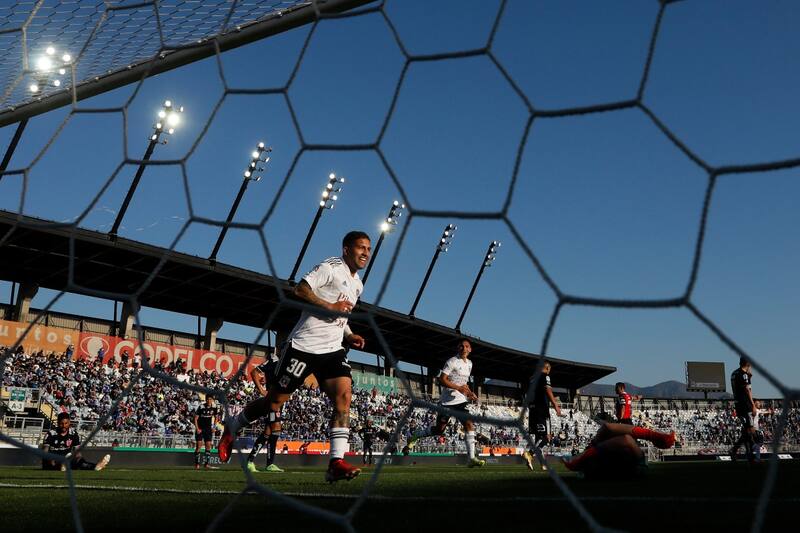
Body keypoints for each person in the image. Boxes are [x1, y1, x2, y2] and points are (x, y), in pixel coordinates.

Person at [218, 231, 370, 483]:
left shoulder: (358, 284)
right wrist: (329, 306)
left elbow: (341, 315)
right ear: (346, 250)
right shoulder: (330, 267)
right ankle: (232, 426)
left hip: (332, 350)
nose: (365, 252)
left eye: (368, 248)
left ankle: (335, 462)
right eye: (360, 247)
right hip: (303, 347)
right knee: (273, 403)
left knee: (344, 397)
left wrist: (350, 333)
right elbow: (300, 290)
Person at [407, 339, 485, 468]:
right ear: (458, 348)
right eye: (461, 346)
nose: (464, 348)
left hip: (460, 401)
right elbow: (442, 379)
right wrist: (458, 388)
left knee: (469, 425)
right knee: (439, 430)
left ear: (470, 349)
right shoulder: (452, 361)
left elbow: (463, 382)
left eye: (467, 346)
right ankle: (417, 435)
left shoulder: (470, 364)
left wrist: (470, 392)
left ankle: (471, 458)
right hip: (447, 402)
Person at [562, 420, 676, 479]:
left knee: (611, 431)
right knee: (619, 435)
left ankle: (654, 436)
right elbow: (622, 437)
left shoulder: (593, 463)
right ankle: (654, 436)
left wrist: (590, 450)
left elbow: (609, 429)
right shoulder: (593, 464)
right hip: (630, 465)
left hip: (608, 461)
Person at [245, 355, 283, 473]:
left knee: (268, 431)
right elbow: (254, 372)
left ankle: (250, 461)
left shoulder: (287, 363)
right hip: (271, 400)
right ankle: (269, 463)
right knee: (276, 428)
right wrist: (261, 390)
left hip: (278, 401)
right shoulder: (274, 360)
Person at [522, 361, 561, 472]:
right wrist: (556, 405)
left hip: (533, 409)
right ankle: (529, 453)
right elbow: (548, 390)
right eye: (550, 369)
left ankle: (543, 464)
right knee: (547, 437)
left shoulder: (532, 379)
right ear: (547, 368)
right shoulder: (545, 376)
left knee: (539, 438)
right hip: (542, 409)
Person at [42, 412, 110, 471]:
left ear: (69, 423)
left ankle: (96, 466)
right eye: (61, 423)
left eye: (66, 423)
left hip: (67, 458)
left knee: (79, 461)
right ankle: (61, 465)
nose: (64, 426)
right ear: (57, 423)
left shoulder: (73, 434)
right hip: (53, 460)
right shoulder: (51, 434)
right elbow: (44, 453)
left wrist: (79, 459)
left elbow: (77, 453)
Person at [729, 357, 757, 463]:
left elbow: (739, 386)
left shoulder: (734, 373)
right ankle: (749, 457)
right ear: (748, 363)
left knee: (747, 430)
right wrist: (753, 405)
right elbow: (747, 389)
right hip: (745, 404)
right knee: (751, 431)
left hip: (738, 404)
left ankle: (737, 451)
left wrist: (749, 376)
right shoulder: (744, 374)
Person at [193, 395, 219, 469]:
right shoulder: (201, 407)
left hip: (208, 429)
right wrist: (197, 429)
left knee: (208, 446)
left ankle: (206, 464)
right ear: (206, 400)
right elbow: (195, 418)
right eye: (208, 399)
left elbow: (216, 417)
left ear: (212, 400)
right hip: (200, 429)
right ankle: (197, 464)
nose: (209, 401)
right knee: (198, 446)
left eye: (210, 399)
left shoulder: (214, 407)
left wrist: (214, 427)